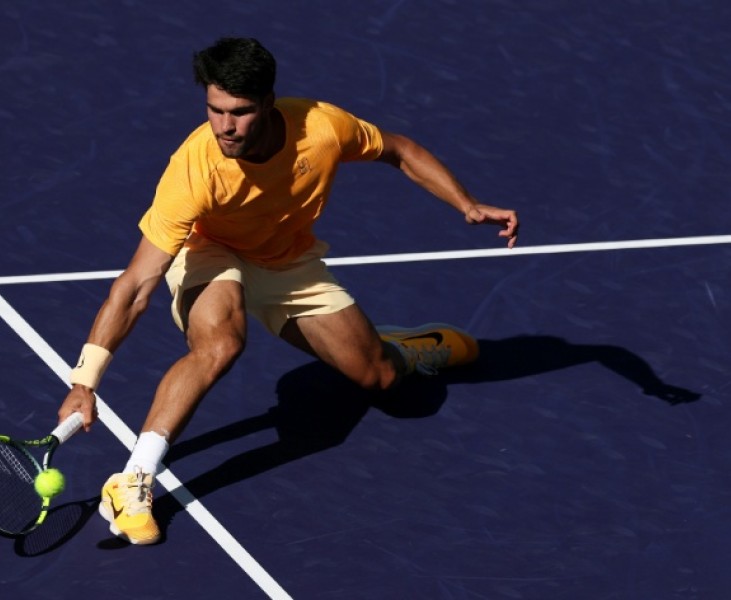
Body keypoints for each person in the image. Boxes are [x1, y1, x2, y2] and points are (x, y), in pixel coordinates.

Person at [57, 37, 519, 545]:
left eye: (240, 112)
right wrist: (86, 381)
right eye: (215, 110)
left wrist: (466, 203)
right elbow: (135, 286)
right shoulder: (193, 170)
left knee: (381, 379)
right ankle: (134, 481)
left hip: (285, 260)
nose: (225, 127)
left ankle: (401, 351)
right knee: (220, 342)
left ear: (269, 102)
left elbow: (399, 150)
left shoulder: (321, 128)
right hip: (210, 251)